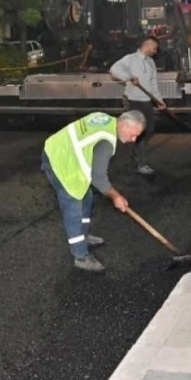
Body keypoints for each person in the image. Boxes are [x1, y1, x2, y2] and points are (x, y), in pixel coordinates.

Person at [41, 111, 146, 272]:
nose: (134, 140)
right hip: (59, 160)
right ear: (124, 125)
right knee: (73, 204)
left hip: (60, 148)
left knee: (87, 197)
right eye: (133, 135)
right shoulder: (106, 142)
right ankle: (80, 256)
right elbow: (98, 177)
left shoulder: (104, 118)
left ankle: (83, 235)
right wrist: (115, 196)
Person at [109, 36, 163, 175]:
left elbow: (153, 84)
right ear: (147, 45)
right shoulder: (130, 59)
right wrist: (128, 77)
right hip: (133, 100)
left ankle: (136, 151)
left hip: (146, 100)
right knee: (140, 131)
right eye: (154, 48)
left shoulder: (150, 62)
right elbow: (114, 70)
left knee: (150, 129)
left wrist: (159, 100)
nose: (155, 51)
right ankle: (142, 163)